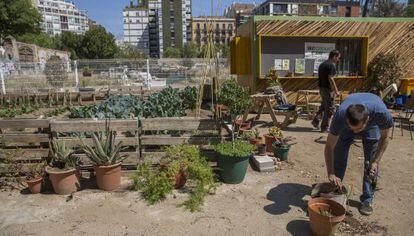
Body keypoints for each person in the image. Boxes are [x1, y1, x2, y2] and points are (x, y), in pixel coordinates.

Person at [324, 93, 393, 216]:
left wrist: (375, 161)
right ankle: (336, 190)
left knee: (371, 163)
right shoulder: (340, 116)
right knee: (339, 155)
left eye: (358, 129)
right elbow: (329, 146)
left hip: (372, 125)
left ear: (367, 119)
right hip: (347, 125)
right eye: (353, 129)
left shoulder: (381, 114)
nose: (355, 133)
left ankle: (367, 199)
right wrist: (331, 173)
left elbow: (385, 137)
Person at [312, 50, 341, 132]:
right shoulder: (331, 65)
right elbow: (331, 79)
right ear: (334, 56)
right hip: (328, 90)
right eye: (338, 57)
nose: (338, 60)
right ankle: (324, 127)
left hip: (322, 88)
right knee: (330, 108)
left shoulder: (322, 64)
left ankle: (316, 121)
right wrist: (336, 91)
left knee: (324, 106)